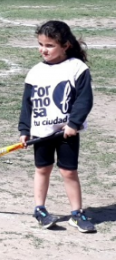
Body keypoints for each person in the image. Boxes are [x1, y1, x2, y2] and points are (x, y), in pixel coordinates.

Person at [19, 20, 94, 232]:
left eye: (50, 45)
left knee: (69, 172)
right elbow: (27, 104)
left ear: (65, 45)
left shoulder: (77, 68)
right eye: (41, 44)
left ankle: (77, 214)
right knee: (42, 169)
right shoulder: (35, 72)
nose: (44, 49)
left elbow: (84, 100)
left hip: (66, 133)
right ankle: (40, 209)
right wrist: (24, 130)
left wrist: (73, 123)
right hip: (42, 132)